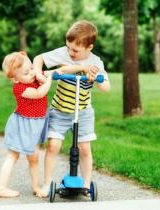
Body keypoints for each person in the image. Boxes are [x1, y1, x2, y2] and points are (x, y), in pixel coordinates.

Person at [33, 20, 111, 197]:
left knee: (84, 148)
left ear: (89, 47)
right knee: (53, 146)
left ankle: (86, 183)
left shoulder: (95, 62)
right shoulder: (63, 54)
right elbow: (39, 59)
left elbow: (106, 86)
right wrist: (39, 72)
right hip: (59, 110)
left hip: (83, 112)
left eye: (75, 50)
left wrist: (97, 78)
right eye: (69, 47)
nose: (71, 52)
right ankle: (46, 184)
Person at [0, 51, 83, 198]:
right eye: (26, 72)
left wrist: (83, 68)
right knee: (13, 155)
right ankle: (1, 188)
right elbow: (39, 94)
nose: (31, 72)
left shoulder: (35, 75)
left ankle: (36, 187)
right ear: (15, 79)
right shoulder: (20, 88)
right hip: (22, 125)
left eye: (31, 68)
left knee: (34, 157)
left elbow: (59, 70)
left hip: (36, 125)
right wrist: (48, 79)